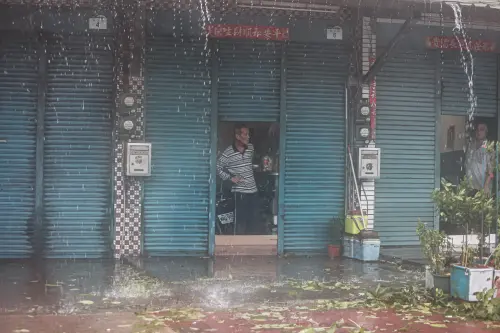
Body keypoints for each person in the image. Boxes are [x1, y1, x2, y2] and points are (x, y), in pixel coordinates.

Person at [217, 124, 258, 234]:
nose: (248, 137)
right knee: (240, 222)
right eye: (245, 134)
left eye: (249, 134)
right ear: (237, 136)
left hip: (253, 191)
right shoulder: (228, 152)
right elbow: (217, 167)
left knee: (253, 222)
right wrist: (230, 178)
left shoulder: (250, 148)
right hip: (240, 193)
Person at [465, 122, 494, 196]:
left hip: (482, 188)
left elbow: (491, 170)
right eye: (477, 129)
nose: (479, 132)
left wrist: (486, 185)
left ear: (486, 132)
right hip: (470, 186)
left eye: (482, 129)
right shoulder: (471, 145)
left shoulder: (489, 147)